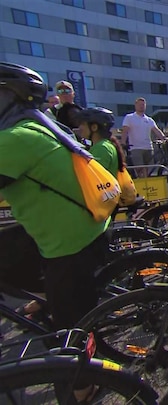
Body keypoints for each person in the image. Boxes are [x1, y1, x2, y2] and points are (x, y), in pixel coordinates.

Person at [0, 63, 109, 393]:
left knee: (69, 328)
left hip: (67, 241)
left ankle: (82, 386)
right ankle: (46, 294)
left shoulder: (14, 139)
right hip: (86, 228)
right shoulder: (42, 127)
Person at [120, 97, 166, 177]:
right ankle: (143, 184)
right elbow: (125, 131)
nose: (141, 106)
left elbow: (156, 130)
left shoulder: (149, 119)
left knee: (148, 169)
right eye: (140, 104)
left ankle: (146, 184)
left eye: (143, 105)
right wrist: (123, 142)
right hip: (136, 147)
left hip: (148, 147)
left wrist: (164, 138)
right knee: (140, 169)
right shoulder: (129, 117)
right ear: (135, 105)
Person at [76, 107, 125, 175]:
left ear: (94, 127)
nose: (80, 128)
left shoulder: (101, 148)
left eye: (83, 124)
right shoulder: (105, 145)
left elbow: (92, 175)